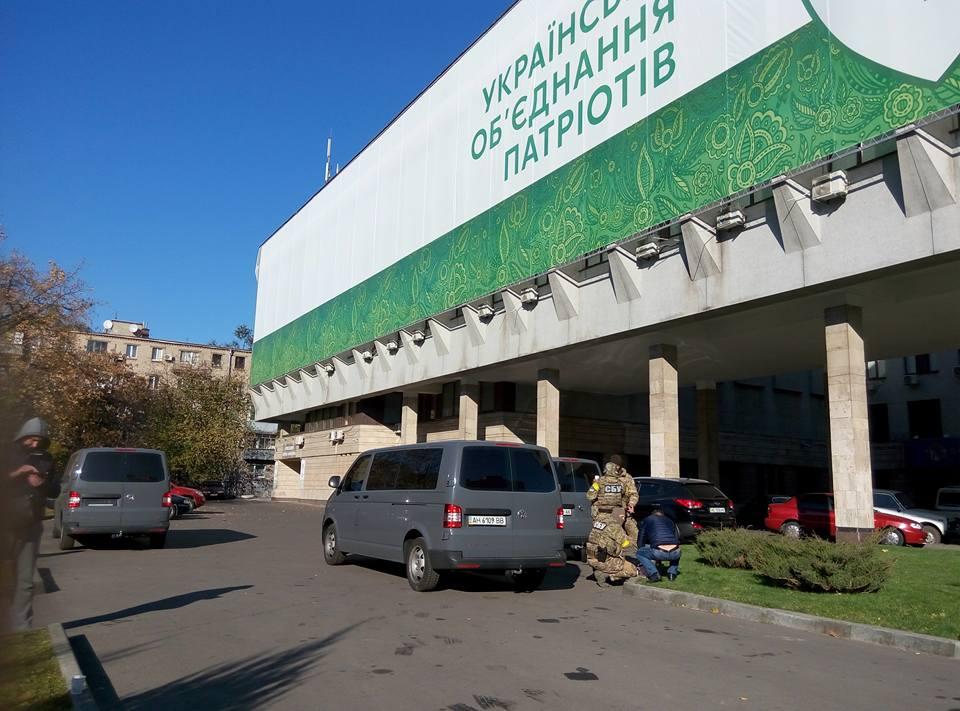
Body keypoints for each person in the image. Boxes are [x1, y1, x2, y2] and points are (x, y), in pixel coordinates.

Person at [2, 418, 59, 631]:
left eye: (38, 441)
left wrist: (42, 483)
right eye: (31, 440)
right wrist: (21, 472)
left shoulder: (45, 458)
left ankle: (21, 627)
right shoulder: (8, 454)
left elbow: (55, 489)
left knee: (25, 580)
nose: (34, 445)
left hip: (31, 524)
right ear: (23, 436)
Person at [585, 454, 640, 586]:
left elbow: (632, 494)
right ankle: (606, 569)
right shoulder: (615, 482)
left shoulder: (621, 479)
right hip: (610, 514)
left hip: (618, 513)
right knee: (605, 541)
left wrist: (631, 504)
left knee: (609, 540)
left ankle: (606, 566)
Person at [635, 506, 681, 582]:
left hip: (659, 552)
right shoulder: (670, 521)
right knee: (676, 549)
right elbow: (676, 538)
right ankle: (672, 574)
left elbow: (641, 536)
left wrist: (640, 547)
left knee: (639, 553)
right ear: (663, 515)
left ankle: (654, 574)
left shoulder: (647, 520)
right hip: (676, 553)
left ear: (652, 514)